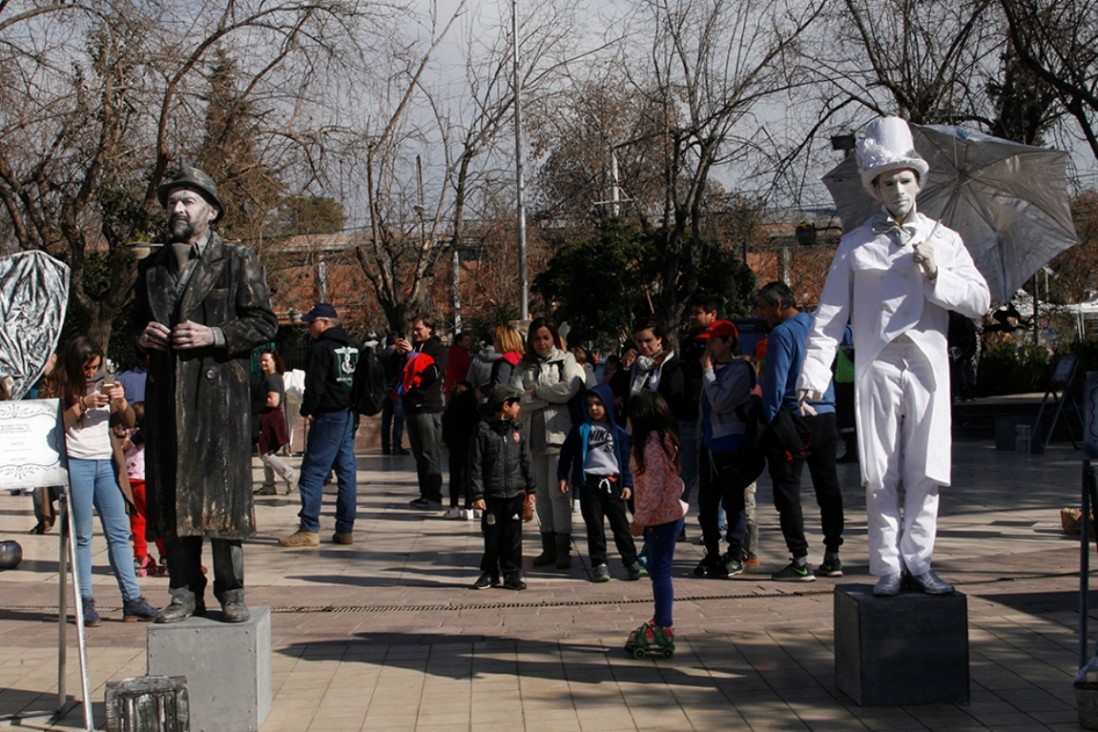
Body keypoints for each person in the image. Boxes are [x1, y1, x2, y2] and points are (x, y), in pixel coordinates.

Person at [798, 117, 991, 597]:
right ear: (876, 188)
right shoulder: (855, 245)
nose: (899, 190)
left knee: (926, 467)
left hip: (927, 364)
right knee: (879, 468)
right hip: (878, 365)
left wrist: (936, 274)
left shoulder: (943, 240)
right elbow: (829, 316)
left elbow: (980, 300)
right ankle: (887, 564)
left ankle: (920, 560)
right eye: (888, 182)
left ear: (918, 183)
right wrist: (813, 376)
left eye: (906, 180)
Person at [135, 163, 278, 623]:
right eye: (173, 201)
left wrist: (214, 336)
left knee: (221, 499)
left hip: (218, 402)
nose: (177, 208)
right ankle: (182, 591)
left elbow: (263, 322)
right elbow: (131, 329)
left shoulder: (237, 259)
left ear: (211, 211)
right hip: (167, 401)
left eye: (188, 201)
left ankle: (231, 591)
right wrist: (143, 339)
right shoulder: (152, 268)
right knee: (174, 499)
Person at [54, 336, 159, 625]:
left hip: (108, 464)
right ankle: (85, 601)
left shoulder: (107, 382)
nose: (92, 373)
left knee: (119, 534)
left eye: (96, 367)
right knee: (83, 536)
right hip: (77, 463)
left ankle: (132, 599)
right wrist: (83, 405)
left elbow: (128, 422)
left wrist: (122, 401)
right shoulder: (61, 386)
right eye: (87, 368)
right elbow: (55, 426)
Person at [755, 281, 845, 582]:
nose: (761, 314)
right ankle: (833, 555)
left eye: (763, 307)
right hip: (826, 415)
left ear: (778, 305)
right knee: (828, 487)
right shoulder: (820, 325)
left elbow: (775, 385)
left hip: (795, 418)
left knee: (788, 489)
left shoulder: (782, 334)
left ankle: (800, 558)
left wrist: (769, 422)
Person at [279, 303, 359, 547]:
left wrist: (307, 409)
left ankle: (309, 528)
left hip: (328, 415)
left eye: (311, 322)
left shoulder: (322, 348)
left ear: (325, 323)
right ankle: (345, 530)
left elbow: (315, 386)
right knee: (346, 473)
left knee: (313, 473)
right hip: (348, 414)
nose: (308, 326)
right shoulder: (353, 347)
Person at [557, 384, 645, 582]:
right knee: (595, 526)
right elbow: (566, 453)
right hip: (590, 484)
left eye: (598, 404)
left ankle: (631, 561)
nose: (594, 409)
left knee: (621, 526)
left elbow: (625, 460)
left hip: (613, 483)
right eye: (589, 405)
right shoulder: (581, 430)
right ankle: (599, 563)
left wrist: (627, 485)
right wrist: (562, 475)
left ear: (607, 405)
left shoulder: (619, 433)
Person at [624, 390, 688, 656]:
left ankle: (663, 625)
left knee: (660, 571)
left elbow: (654, 487)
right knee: (657, 569)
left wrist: (640, 521)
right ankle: (661, 621)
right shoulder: (660, 441)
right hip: (666, 516)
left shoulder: (649, 447)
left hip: (662, 518)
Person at [520, 317, 585, 570]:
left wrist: (536, 392)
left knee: (558, 494)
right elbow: (517, 397)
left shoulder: (566, 360)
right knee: (542, 496)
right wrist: (547, 398)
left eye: (546, 337)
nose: (542, 343)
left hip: (559, 435)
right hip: (533, 436)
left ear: (554, 339)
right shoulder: (525, 364)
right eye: (537, 338)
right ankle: (547, 545)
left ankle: (562, 548)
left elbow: (570, 389)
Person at [694, 320, 754, 578]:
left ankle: (735, 552)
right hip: (708, 444)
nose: (708, 347)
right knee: (707, 503)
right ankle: (711, 552)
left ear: (728, 342)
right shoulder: (712, 368)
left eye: (714, 341)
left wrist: (708, 372)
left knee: (733, 501)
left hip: (731, 445)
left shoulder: (739, 370)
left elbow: (719, 402)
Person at [468, 385, 536, 590]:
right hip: (492, 494)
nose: (519, 409)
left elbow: (526, 460)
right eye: (516, 404)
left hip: (515, 493)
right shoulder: (483, 430)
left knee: (513, 536)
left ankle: (512, 573)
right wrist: (478, 493)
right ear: (506, 406)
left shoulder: (518, 430)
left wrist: (530, 489)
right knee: (492, 536)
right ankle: (490, 572)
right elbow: (475, 463)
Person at [395, 316, 448, 508]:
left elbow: (432, 374)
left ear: (430, 329)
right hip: (411, 405)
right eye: (414, 329)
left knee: (429, 452)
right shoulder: (415, 348)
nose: (415, 332)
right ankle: (425, 493)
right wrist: (400, 355)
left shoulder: (438, 349)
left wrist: (413, 357)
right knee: (418, 453)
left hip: (428, 407)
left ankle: (434, 496)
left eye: (419, 329)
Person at [679, 296, 719, 538]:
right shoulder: (688, 342)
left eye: (698, 312)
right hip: (689, 415)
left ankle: (716, 525)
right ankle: (677, 522)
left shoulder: (720, 342)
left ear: (712, 314)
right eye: (691, 312)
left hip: (714, 417)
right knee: (685, 474)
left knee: (713, 476)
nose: (693, 316)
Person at [113, 402, 166, 577]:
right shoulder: (144, 435)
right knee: (156, 520)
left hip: (129, 482)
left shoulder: (125, 435)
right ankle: (165, 554)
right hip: (145, 481)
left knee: (138, 522)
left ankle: (141, 555)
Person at [254, 349, 297, 495]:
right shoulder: (273, 377)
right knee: (266, 451)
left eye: (266, 360)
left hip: (270, 418)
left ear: (275, 362)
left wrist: (256, 400)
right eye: (261, 360)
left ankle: (289, 475)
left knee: (265, 453)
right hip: (269, 418)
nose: (262, 363)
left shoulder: (271, 379)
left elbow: (273, 401)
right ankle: (269, 485)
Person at [441, 380, 480, 519]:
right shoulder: (475, 413)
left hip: (455, 449)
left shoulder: (449, 413)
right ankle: (469, 507)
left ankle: (453, 506)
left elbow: (445, 434)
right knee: (470, 477)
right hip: (471, 449)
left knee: (455, 477)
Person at [379, 334, 407, 455]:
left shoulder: (381, 354)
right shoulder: (397, 355)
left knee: (386, 420)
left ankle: (385, 446)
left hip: (385, 389)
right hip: (396, 389)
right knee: (398, 419)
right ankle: (397, 446)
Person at [444, 331, 475, 399]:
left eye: (470, 340)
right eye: (466, 340)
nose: (469, 342)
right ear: (459, 342)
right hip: (460, 389)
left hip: (451, 386)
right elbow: (471, 368)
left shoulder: (452, 352)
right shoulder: (461, 355)